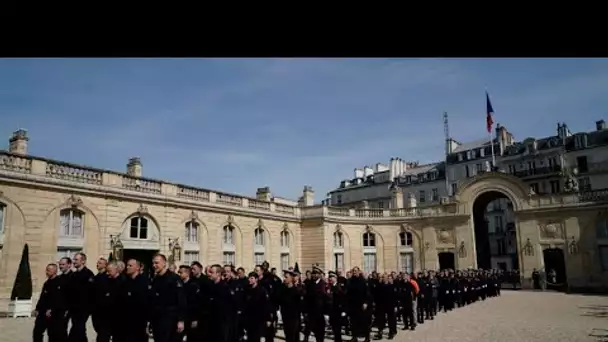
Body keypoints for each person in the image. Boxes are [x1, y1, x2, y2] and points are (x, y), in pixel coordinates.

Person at [149, 254, 186, 342]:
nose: (154, 265)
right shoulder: (155, 279)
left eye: (157, 263)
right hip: (157, 318)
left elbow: (181, 300)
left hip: (170, 318)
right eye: (153, 263)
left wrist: (181, 320)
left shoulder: (174, 278)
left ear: (164, 263)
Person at [33, 263, 65, 342]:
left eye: (48, 270)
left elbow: (59, 299)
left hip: (53, 314)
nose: (46, 272)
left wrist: (52, 310)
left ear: (54, 271)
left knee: (52, 334)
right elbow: (42, 297)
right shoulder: (46, 283)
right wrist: (37, 308)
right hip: (42, 312)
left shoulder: (59, 282)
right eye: (46, 270)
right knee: (37, 332)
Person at [68, 252, 95, 342]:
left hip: (83, 308)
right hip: (73, 308)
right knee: (79, 330)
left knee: (78, 328)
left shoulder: (88, 274)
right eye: (74, 259)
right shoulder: (73, 275)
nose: (74, 261)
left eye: (76, 259)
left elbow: (90, 293)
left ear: (83, 261)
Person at [121, 259, 150, 342]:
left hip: (140, 321)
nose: (127, 267)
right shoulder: (126, 282)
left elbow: (146, 302)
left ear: (137, 267)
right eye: (127, 265)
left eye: (130, 265)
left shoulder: (144, 282)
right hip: (127, 320)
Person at [243, 272, 273, 342]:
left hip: (259, 319)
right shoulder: (247, 290)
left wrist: (268, 319)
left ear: (256, 279)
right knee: (250, 338)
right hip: (249, 319)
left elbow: (266, 305)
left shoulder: (262, 290)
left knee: (256, 338)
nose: (249, 280)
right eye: (249, 278)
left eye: (252, 278)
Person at [346, 266, 371, 342]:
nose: (354, 272)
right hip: (353, 305)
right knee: (353, 322)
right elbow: (348, 293)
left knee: (364, 322)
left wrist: (366, 302)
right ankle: (354, 337)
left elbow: (367, 293)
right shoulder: (350, 281)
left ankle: (367, 337)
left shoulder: (363, 281)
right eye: (353, 271)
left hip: (361, 305)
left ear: (359, 271)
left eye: (356, 271)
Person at [278, 269, 302, 342]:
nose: (284, 279)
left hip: (293, 318)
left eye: (286, 277)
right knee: (287, 336)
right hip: (285, 316)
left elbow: (299, 305)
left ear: (291, 278)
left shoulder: (296, 291)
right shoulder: (282, 289)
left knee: (292, 337)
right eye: (284, 277)